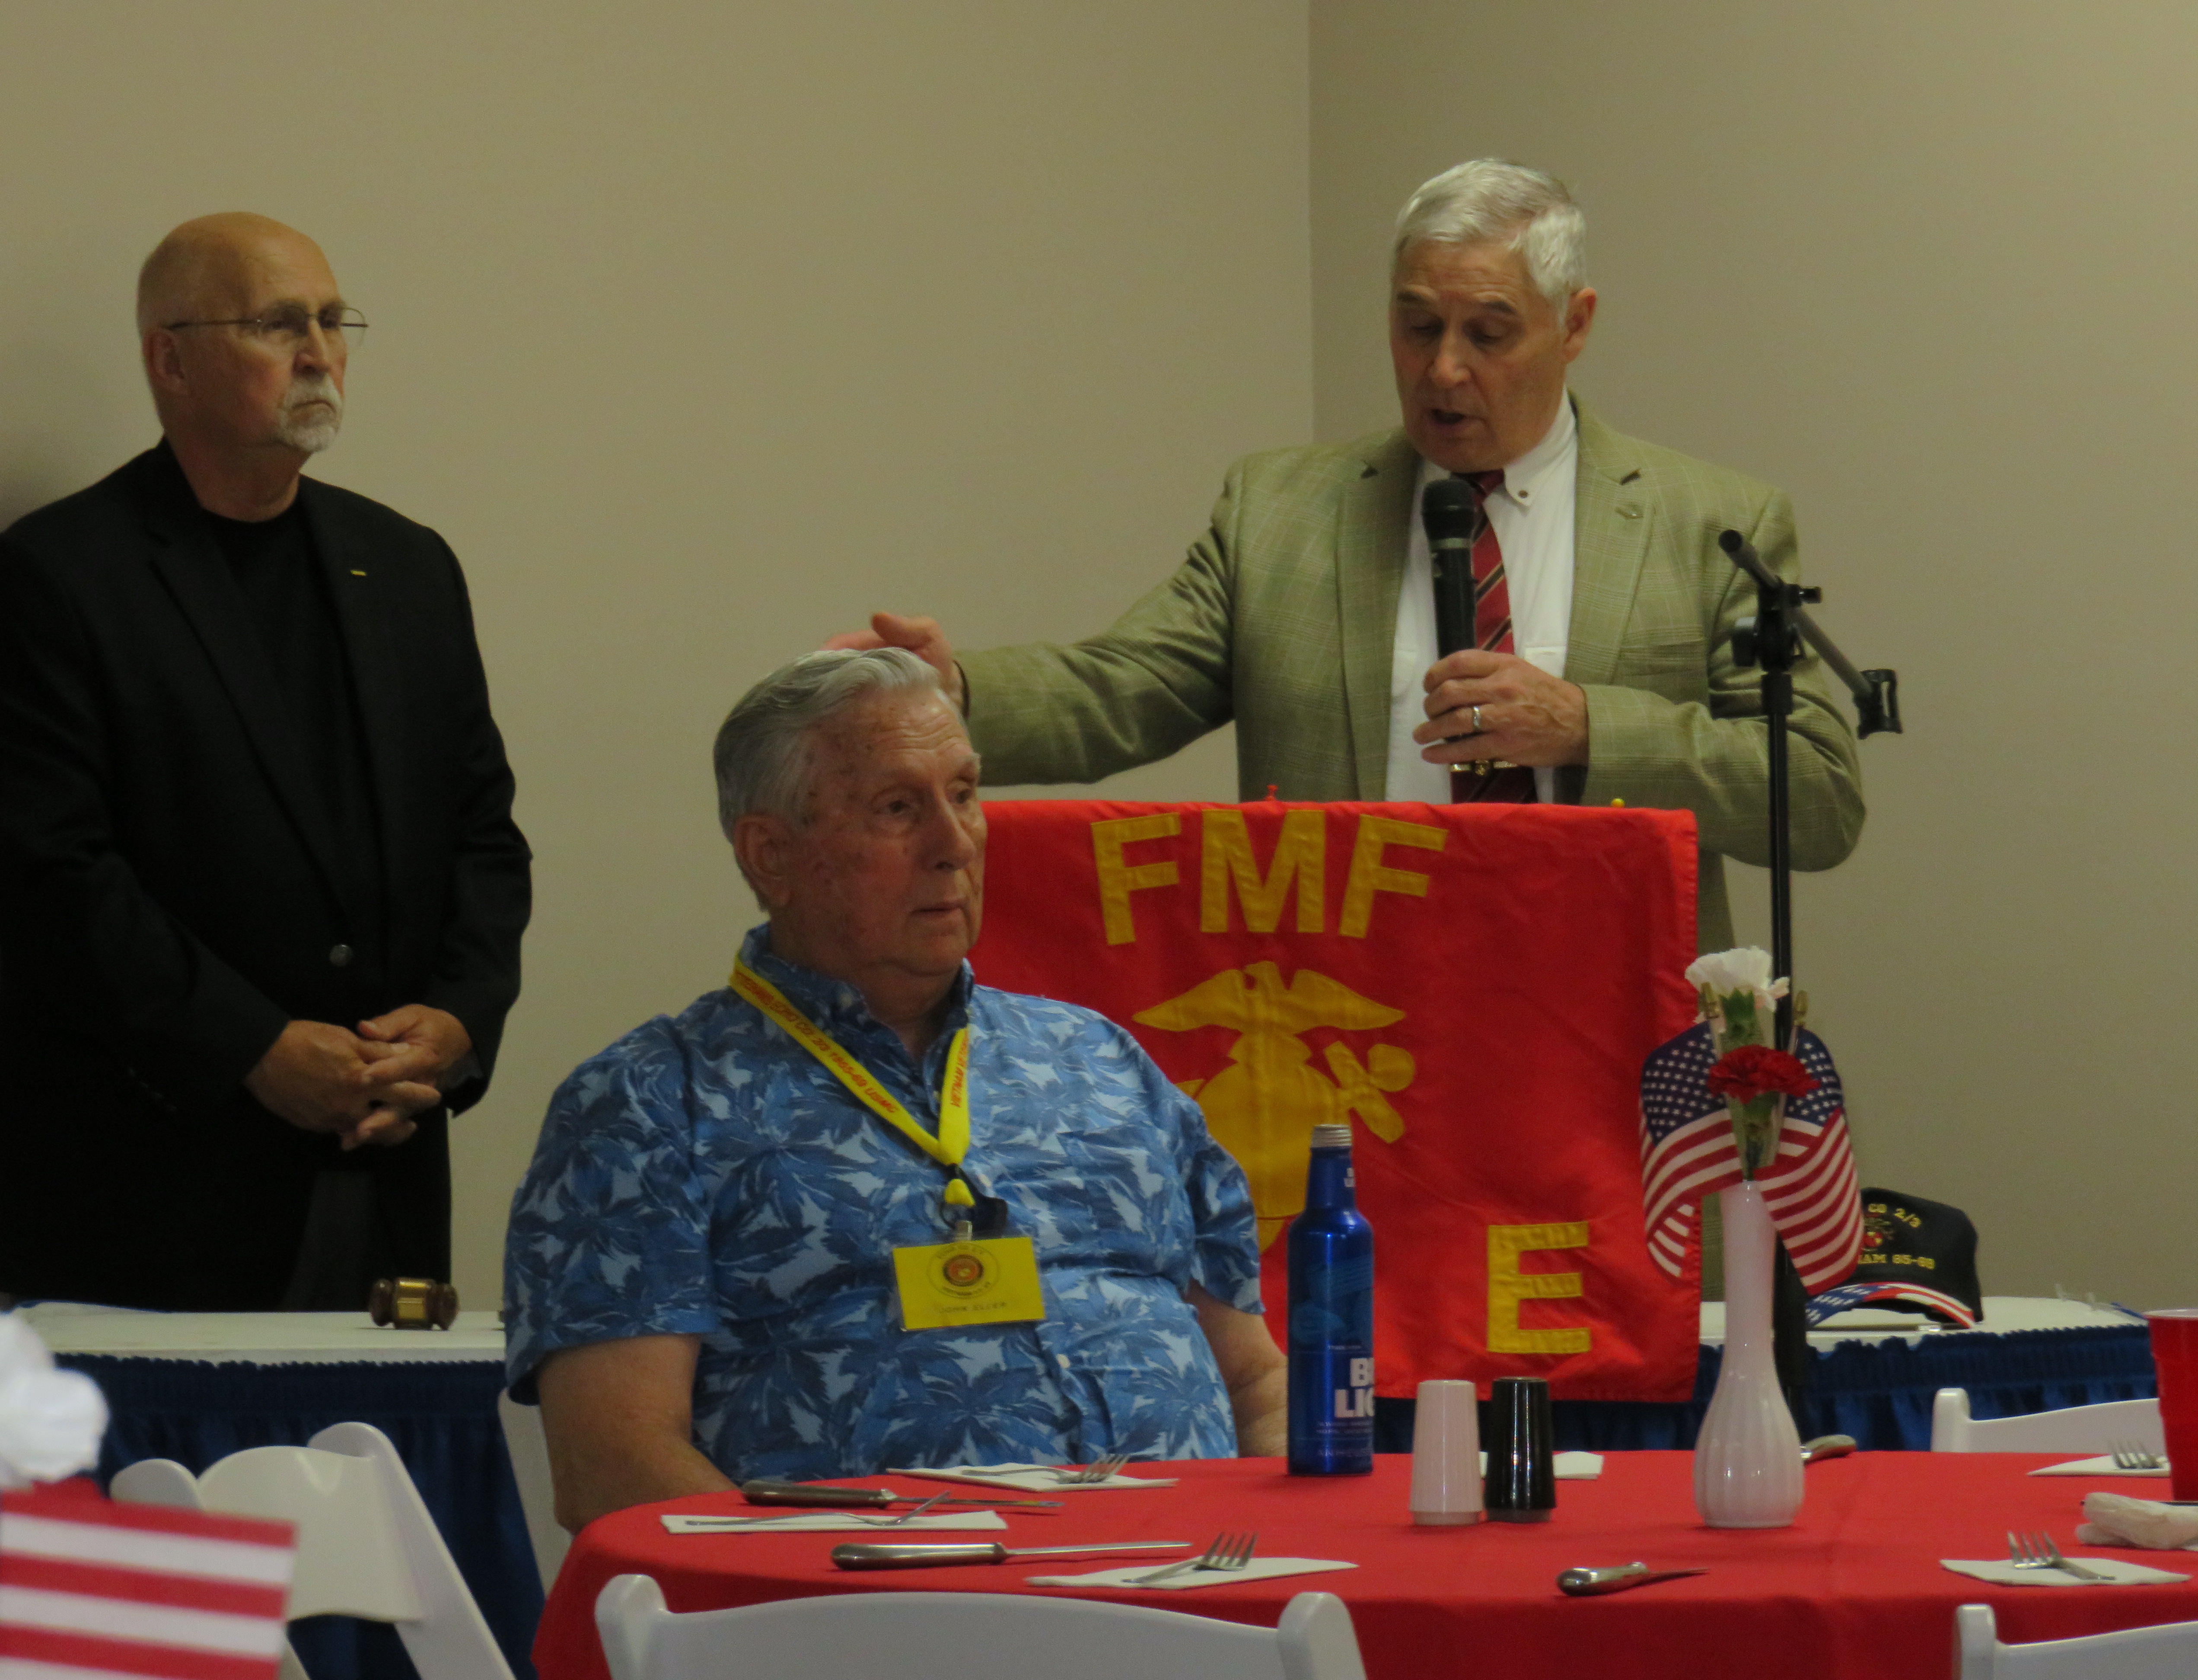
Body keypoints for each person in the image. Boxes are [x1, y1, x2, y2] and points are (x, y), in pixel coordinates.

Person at [832, 159, 1865, 951]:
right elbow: (1125, 688)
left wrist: (1589, 727)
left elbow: (1816, 800)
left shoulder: (1711, 524)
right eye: (1417, 328)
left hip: (1604, 1026)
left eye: (1488, 334)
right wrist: (951, 696)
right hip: (1346, 1017)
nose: (1444, 370)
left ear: (1575, 325)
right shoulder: (1281, 511)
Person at [504, 649, 1281, 1530]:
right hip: (877, 1594)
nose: (956, 844)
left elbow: (1257, 1380)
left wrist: (1280, 1549)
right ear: (771, 854)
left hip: (1196, 1575)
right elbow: (615, 1467)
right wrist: (850, 1589)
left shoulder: (1098, 1058)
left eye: (965, 794)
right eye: (898, 809)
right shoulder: (648, 1103)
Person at [0, 213, 532, 1311]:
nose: (321, 353)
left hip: (386, 1173)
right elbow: (50, 873)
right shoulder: (58, 576)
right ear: (170, 360)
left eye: (334, 322)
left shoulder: (409, 565)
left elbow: (483, 832)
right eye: (280, 324)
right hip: (153, 1190)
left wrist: (457, 1023)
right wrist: (249, 1047)